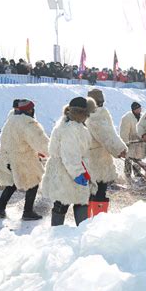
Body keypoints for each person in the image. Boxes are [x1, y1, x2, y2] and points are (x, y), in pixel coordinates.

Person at [42, 97, 95, 226]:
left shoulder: (67, 123)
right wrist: (78, 173)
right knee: (76, 202)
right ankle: (79, 232)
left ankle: (57, 232)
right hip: (68, 171)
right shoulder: (71, 129)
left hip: (64, 170)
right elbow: (70, 155)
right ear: (82, 113)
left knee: (63, 202)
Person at [0, 99, 49, 219]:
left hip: (9, 158)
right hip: (24, 159)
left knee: (12, 183)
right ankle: (27, 212)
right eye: (31, 109)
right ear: (29, 110)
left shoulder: (11, 120)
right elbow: (41, 142)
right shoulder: (28, 123)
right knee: (34, 182)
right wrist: (53, 152)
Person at [86, 89, 127, 213]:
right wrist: (120, 149)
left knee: (89, 191)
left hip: (88, 156)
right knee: (99, 190)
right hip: (97, 159)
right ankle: (98, 220)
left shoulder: (86, 113)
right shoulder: (96, 115)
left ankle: (85, 221)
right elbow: (107, 135)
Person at [119, 101, 146, 177]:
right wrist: (125, 143)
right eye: (138, 108)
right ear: (134, 109)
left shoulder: (141, 117)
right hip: (131, 142)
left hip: (139, 143)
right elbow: (124, 132)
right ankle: (127, 176)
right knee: (128, 159)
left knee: (138, 159)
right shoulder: (127, 118)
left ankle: (138, 175)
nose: (140, 110)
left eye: (140, 108)